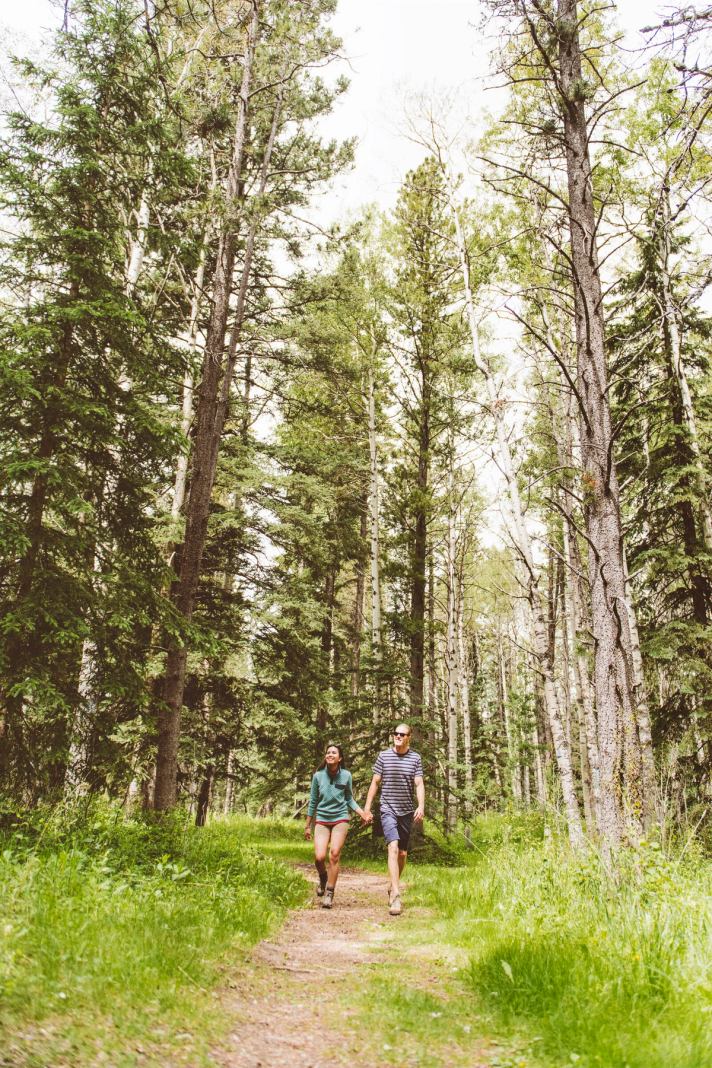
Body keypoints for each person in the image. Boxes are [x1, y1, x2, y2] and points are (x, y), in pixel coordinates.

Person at [363, 723, 424, 916]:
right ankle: (396, 895)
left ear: (409, 737)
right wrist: (366, 806)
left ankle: (392, 884)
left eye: (402, 734)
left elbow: (419, 783)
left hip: (406, 811)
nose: (397, 736)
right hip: (387, 808)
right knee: (393, 847)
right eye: (395, 733)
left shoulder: (415, 758)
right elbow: (375, 781)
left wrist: (421, 806)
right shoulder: (384, 756)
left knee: (403, 854)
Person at [304, 743, 371, 909]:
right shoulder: (318, 776)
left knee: (334, 854)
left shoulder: (346, 775)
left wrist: (362, 813)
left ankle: (329, 893)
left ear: (339, 758)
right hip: (322, 819)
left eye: (334, 752)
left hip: (341, 818)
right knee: (319, 857)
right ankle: (323, 878)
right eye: (328, 752)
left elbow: (349, 799)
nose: (330, 754)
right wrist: (307, 826)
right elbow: (313, 801)